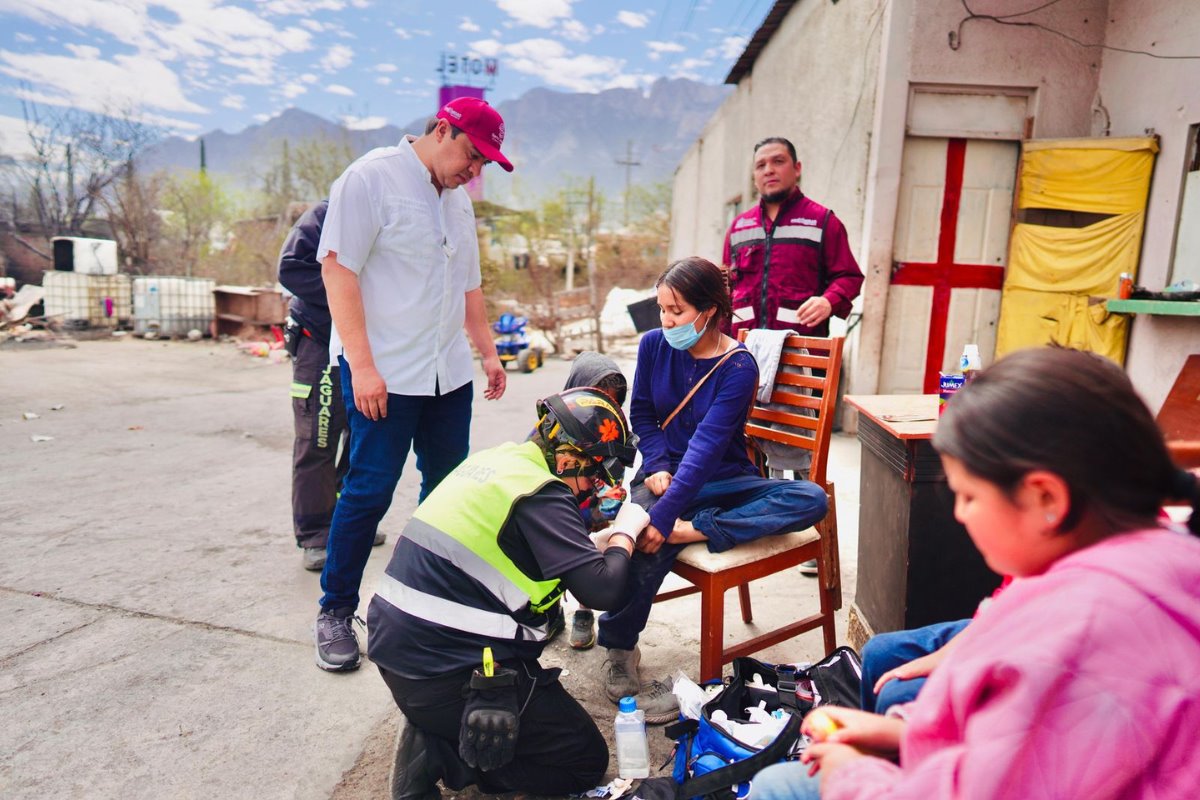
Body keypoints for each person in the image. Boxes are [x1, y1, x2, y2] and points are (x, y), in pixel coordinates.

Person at [749, 346, 1200, 800]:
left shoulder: (1075, 638)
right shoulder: (1158, 557)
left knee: (776, 786)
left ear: (1046, 499)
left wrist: (850, 775)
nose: (961, 515)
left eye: (967, 496)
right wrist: (905, 735)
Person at [366, 388, 647, 799]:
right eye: (591, 475)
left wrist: (593, 543)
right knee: (583, 762)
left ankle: (436, 725)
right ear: (569, 458)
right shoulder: (543, 492)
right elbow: (604, 590)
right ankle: (440, 755)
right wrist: (626, 532)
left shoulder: (497, 463)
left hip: (401, 652)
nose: (590, 488)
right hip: (449, 671)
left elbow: (513, 547)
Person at [313, 96, 512, 672]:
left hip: (447, 373)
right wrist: (364, 367)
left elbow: (469, 286)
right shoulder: (370, 179)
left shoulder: (458, 204)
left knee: (447, 494)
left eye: (483, 166)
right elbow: (337, 270)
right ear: (442, 129)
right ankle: (334, 610)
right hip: (385, 372)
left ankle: (427, 606)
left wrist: (489, 353)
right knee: (369, 492)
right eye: (472, 157)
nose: (474, 173)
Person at [598, 256, 829, 722]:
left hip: (724, 478)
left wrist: (672, 523)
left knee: (811, 499)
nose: (666, 321)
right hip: (667, 478)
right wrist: (658, 464)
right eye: (662, 309)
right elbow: (641, 414)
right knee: (641, 545)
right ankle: (621, 648)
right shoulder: (653, 346)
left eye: (676, 311)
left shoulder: (737, 366)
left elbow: (707, 448)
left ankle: (698, 528)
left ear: (709, 311)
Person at [277, 199, 385, 571]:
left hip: (367, 347)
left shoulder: (388, 216)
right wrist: (349, 295)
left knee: (361, 435)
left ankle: (346, 522)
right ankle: (315, 535)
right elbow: (290, 269)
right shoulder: (329, 213)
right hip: (320, 340)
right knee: (318, 439)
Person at [722, 136, 863, 340]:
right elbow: (724, 289)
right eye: (761, 165)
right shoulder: (738, 227)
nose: (769, 170)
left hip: (801, 349)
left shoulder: (823, 222)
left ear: (797, 168)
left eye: (778, 161)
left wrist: (828, 301)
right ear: (755, 176)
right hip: (744, 348)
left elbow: (849, 277)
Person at [562, 351, 629, 650]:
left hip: (593, 510)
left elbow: (616, 483)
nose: (600, 415)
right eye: (596, 402)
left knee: (590, 549)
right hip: (559, 507)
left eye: (611, 405)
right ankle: (548, 609)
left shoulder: (616, 436)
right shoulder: (552, 429)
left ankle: (583, 610)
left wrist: (609, 504)